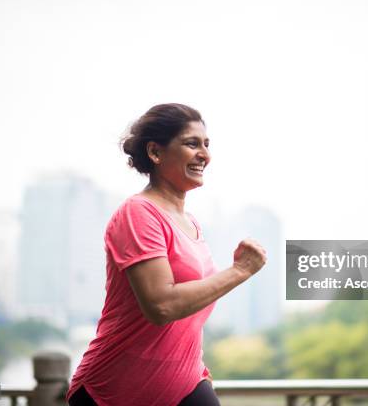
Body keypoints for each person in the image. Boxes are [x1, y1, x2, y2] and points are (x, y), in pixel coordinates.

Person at [65, 103, 267, 406]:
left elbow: (191, 310)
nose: (205, 155)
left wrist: (196, 364)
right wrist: (239, 271)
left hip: (184, 384)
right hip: (116, 390)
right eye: (191, 143)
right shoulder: (138, 213)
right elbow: (161, 305)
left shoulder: (191, 224)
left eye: (207, 145)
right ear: (156, 153)